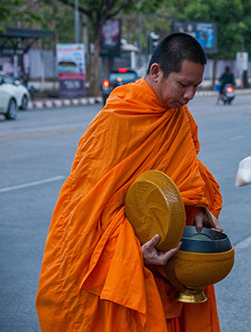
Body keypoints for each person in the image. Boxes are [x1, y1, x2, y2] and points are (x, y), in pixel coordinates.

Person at [36, 33, 224, 331]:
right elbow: (91, 204)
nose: (189, 96)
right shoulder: (118, 118)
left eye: (196, 87)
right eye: (183, 85)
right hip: (126, 256)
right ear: (156, 72)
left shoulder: (179, 117)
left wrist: (198, 207)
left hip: (168, 251)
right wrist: (135, 250)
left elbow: (187, 174)